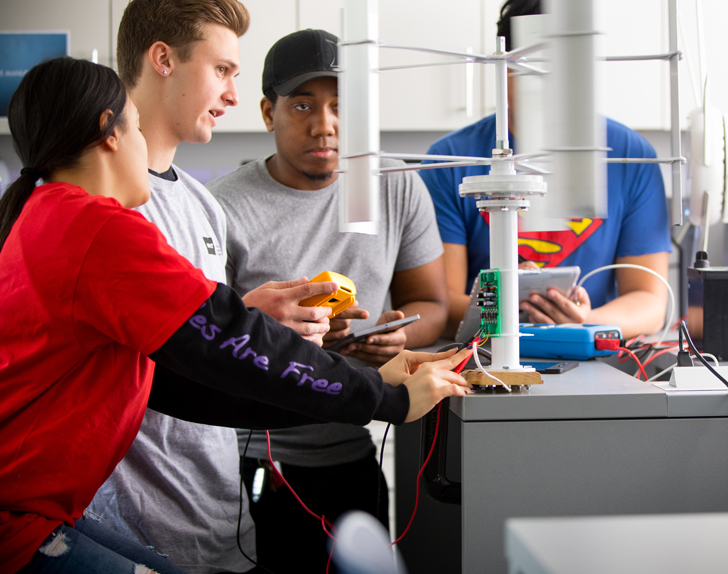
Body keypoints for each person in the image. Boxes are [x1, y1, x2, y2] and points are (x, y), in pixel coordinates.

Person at [0, 56, 471, 574]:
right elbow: (229, 333)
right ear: (108, 133)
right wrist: (388, 400)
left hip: (34, 511)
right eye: (134, 125)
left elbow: (185, 385)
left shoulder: (42, 217)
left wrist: (369, 390)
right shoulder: (99, 228)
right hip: (17, 522)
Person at [87, 0, 345, 574]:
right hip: (128, 529)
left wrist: (249, 317)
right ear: (164, 59)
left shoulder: (201, 203)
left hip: (216, 515)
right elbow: (130, 365)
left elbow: (192, 335)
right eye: (223, 69)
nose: (232, 93)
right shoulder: (99, 206)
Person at [206, 28, 448, 573]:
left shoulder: (397, 186)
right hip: (257, 462)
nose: (326, 125)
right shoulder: (221, 207)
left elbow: (432, 304)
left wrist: (398, 336)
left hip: (353, 448)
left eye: (342, 106)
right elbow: (204, 341)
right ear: (268, 113)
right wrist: (284, 335)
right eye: (302, 105)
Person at [419, 0, 672, 341]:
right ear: (502, 67)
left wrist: (583, 322)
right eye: (536, 68)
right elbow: (440, 303)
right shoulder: (449, 161)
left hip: (593, 356)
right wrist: (505, 305)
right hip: (480, 356)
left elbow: (649, 301)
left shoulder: (631, 156)